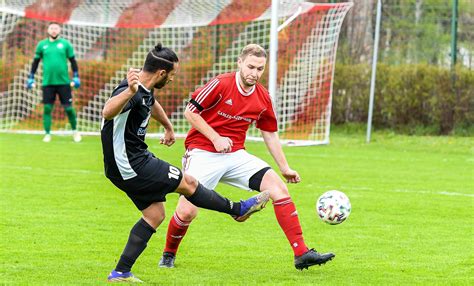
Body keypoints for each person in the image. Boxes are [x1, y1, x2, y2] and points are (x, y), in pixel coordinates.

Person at [101, 43, 270, 283]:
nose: (172, 79)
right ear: (161, 73)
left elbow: (151, 102)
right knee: (188, 183)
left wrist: (168, 127)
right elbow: (107, 112)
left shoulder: (144, 88)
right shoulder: (131, 91)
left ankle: (120, 272)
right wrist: (129, 91)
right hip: (130, 164)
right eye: (171, 75)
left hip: (127, 164)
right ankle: (237, 210)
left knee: (155, 214)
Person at [159, 44, 335, 271]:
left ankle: (301, 253)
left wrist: (285, 167)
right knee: (187, 211)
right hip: (203, 152)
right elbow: (190, 111)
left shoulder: (263, 98)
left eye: (260, 69)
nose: (254, 73)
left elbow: (269, 132)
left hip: (235, 156)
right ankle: (168, 255)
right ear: (240, 63)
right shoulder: (221, 83)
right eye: (251, 66)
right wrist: (215, 138)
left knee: (278, 188)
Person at [26, 22, 81, 143]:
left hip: (64, 83)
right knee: (47, 108)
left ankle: (75, 131)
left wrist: (76, 76)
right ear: (48, 30)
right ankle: (47, 134)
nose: (54, 30)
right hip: (48, 83)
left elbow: (73, 61)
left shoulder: (65, 44)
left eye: (56, 28)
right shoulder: (42, 45)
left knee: (68, 109)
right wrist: (31, 77)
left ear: (60, 30)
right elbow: (35, 63)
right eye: (51, 28)